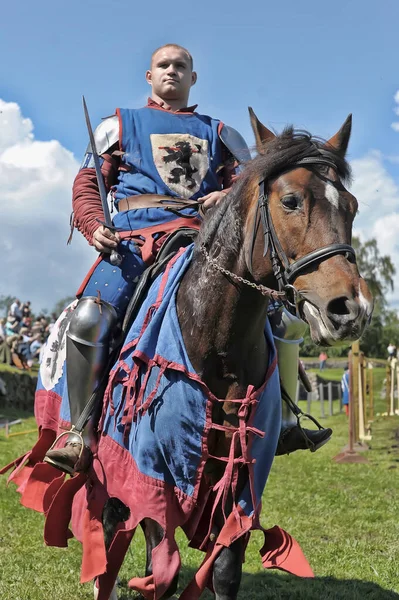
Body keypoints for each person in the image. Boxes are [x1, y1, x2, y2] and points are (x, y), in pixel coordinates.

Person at [44, 43, 330, 474]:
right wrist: (93, 225)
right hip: (134, 243)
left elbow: (252, 191)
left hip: (203, 243)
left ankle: (286, 421)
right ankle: (78, 431)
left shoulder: (220, 133)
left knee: (280, 317)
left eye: (181, 66)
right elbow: (88, 184)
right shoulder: (118, 126)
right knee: (89, 317)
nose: (172, 71)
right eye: (164, 65)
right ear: (149, 76)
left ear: (193, 78)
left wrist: (230, 194)